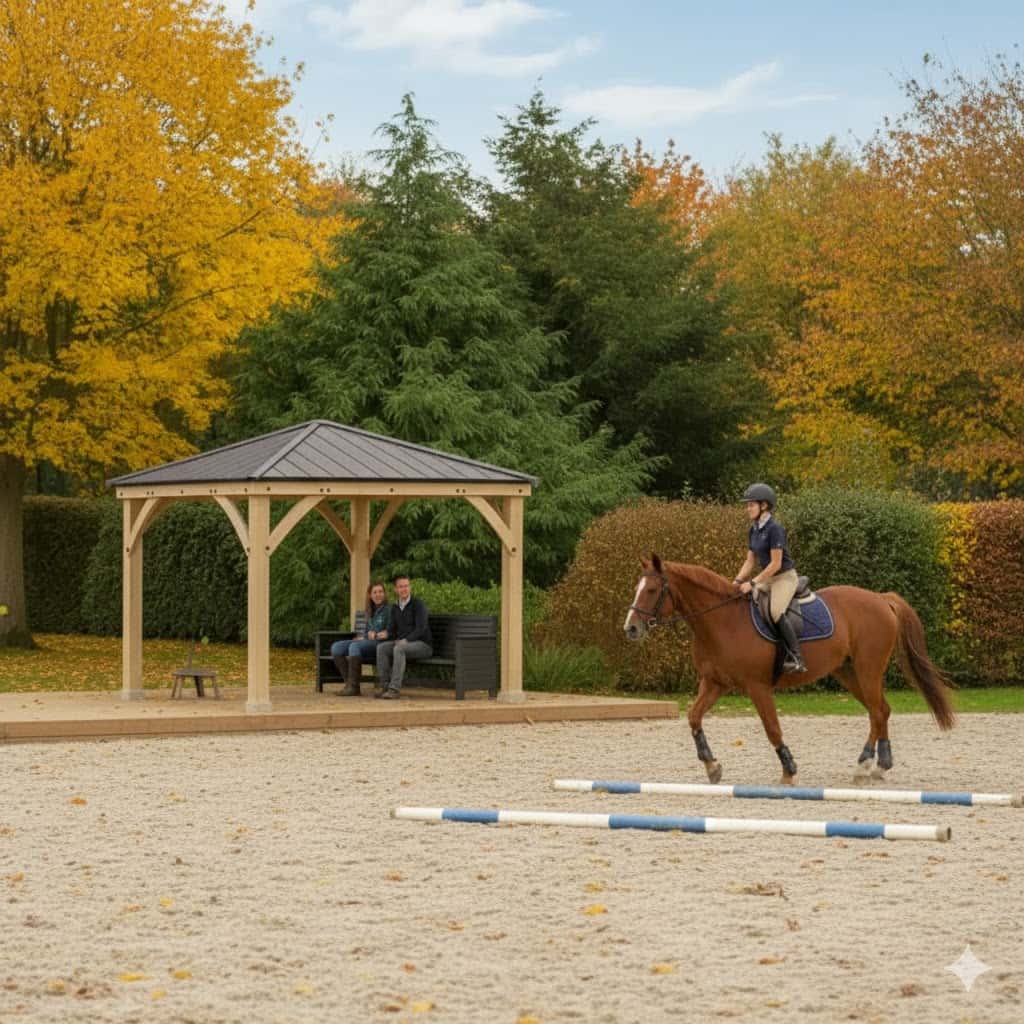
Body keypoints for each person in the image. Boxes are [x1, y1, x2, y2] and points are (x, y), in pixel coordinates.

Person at [733, 483, 807, 673]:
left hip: (784, 577)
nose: (747, 508)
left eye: (751, 505)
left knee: (775, 611)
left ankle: (797, 658)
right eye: (747, 505)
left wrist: (753, 583)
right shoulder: (754, 529)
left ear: (764, 505)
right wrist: (737, 581)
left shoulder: (775, 528)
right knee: (746, 602)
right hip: (768, 578)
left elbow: (775, 564)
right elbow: (749, 562)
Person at [374, 575, 433, 699]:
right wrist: (381, 634)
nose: (404, 589)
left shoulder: (418, 604)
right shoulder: (395, 607)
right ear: (396, 589)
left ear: (410, 587)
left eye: (406, 586)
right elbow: (391, 630)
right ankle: (385, 687)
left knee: (399, 648)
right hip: (404, 644)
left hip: (423, 645)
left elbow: (421, 628)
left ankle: (394, 689)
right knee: (382, 648)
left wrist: (405, 640)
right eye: (401, 587)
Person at [331, 582, 391, 697]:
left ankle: (353, 687)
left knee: (355, 646)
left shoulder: (389, 610)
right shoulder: (369, 611)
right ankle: (350, 685)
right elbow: (366, 632)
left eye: (380, 592)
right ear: (370, 595)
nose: (378, 595)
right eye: (375, 592)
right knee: (336, 647)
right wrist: (362, 637)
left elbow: (390, 631)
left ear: (384, 594)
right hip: (367, 642)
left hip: (380, 644)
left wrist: (376, 634)